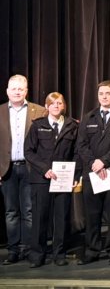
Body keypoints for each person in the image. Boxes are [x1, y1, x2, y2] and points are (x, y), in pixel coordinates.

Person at [76, 80, 110, 265]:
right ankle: (92, 250)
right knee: (92, 214)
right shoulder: (88, 117)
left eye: (108, 93)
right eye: (101, 94)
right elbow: (81, 145)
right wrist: (93, 163)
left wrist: (104, 161)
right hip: (92, 173)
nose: (104, 97)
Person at [24, 92, 76, 267]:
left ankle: (59, 254)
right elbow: (29, 151)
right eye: (52, 103)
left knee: (61, 217)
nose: (56, 106)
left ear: (64, 106)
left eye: (59, 103)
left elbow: (77, 153)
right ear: (46, 106)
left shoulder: (72, 126)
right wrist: (44, 169)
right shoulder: (37, 126)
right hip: (41, 179)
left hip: (64, 178)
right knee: (40, 217)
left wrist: (75, 176)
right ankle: (37, 255)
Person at [0, 75, 47, 265]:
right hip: (7, 169)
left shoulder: (40, 111)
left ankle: (29, 249)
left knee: (29, 211)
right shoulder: (0, 111)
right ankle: (13, 250)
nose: (17, 91)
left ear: (26, 91)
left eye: (21, 89)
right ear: (7, 91)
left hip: (31, 169)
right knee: (11, 212)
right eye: (14, 88)